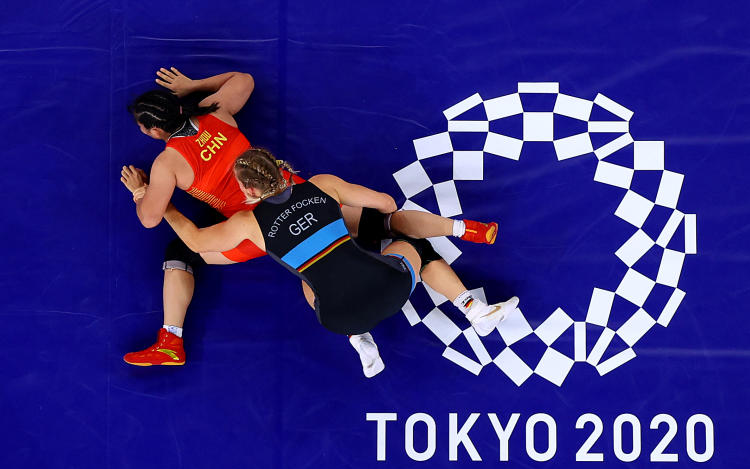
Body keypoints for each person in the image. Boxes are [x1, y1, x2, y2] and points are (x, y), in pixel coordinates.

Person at [123, 67, 499, 367]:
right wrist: (193, 87)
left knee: (181, 250)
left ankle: (171, 339)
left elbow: (152, 219)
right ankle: (465, 232)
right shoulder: (217, 113)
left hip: (259, 233)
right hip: (307, 202)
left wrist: (143, 193)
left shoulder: (168, 163)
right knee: (382, 222)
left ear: (155, 131)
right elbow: (244, 80)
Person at [121, 148, 518, 377]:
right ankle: (474, 309)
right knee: (413, 245)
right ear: (281, 170)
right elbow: (386, 204)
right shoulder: (321, 185)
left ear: (247, 190)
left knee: (308, 279)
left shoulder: (246, 224)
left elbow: (190, 239)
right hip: (390, 287)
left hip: (337, 319)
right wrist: (331, 207)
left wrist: (156, 200)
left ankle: (361, 342)